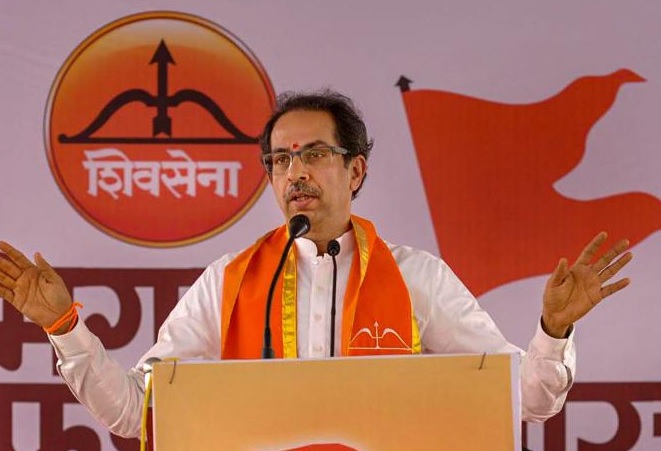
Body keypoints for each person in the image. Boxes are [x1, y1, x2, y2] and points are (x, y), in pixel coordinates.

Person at [0, 90, 632, 439]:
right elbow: (138, 411)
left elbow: (523, 401)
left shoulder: (416, 277)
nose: (295, 172)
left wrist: (554, 331)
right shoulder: (229, 281)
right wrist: (64, 326)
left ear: (355, 170)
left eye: (314, 154)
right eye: (280, 160)